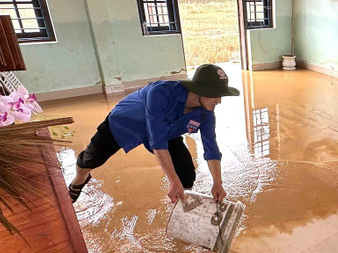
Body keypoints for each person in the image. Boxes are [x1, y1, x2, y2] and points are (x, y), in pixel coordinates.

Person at [68, 63, 240, 205]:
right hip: (124, 124)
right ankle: (79, 180)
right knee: (89, 160)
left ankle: (180, 209)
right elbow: (157, 142)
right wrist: (173, 180)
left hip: (166, 130)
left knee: (186, 172)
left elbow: (211, 147)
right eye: (216, 95)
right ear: (199, 90)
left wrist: (218, 182)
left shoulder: (205, 112)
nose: (219, 100)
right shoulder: (161, 93)